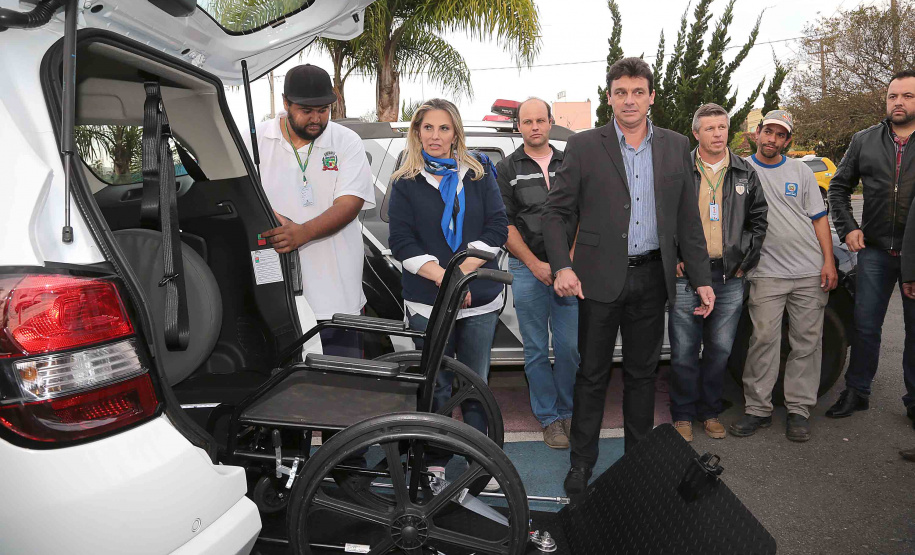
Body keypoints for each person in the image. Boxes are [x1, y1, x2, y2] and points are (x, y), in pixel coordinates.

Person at [542, 57, 715, 495]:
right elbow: (557, 212)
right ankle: (582, 463)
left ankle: (638, 463)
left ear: (652, 96)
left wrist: (702, 278)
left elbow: (687, 222)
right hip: (596, 281)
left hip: (652, 279)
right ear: (609, 97)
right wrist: (562, 265)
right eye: (621, 92)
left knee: (642, 377)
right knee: (592, 375)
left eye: (638, 92)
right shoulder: (583, 146)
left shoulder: (677, 146)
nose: (630, 100)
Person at [387, 98, 508, 484]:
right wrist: (447, 279)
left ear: (456, 131)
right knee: (435, 382)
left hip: (478, 298)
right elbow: (401, 242)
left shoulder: (479, 173)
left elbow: (497, 229)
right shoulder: (405, 180)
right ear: (416, 132)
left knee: (475, 381)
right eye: (427, 128)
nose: (435, 136)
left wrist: (463, 276)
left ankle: (479, 457)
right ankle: (434, 460)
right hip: (427, 298)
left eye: (443, 128)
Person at [251, 64, 375, 357]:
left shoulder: (346, 142)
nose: (317, 118)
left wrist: (303, 232)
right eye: (306, 110)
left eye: (324, 109)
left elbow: (350, 203)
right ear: (285, 104)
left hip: (336, 295)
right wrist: (265, 216)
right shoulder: (254, 139)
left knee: (338, 387)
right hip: (276, 297)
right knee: (284, 389)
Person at [730, 110, 838, 443]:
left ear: (787, 140)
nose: (773, 139)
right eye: (768, 132)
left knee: (807, 343)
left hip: (808, 271)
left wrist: (829, 262)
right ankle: (758, 410)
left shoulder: (801, 172)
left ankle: (799, 411)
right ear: (757, 133)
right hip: (766, 273)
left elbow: (819, 218)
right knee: (763, 341)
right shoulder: (742, 171)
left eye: (780, 135)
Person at [669, 103, 768, 443]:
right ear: (695, 133)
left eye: (722, 127)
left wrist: (745, 262)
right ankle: (682, 414)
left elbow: (759, 221)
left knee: (719, 351)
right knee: (683, 350)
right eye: (709, 128)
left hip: (729, 277)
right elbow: (665, 218)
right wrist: (676, 257)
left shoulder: (744, 172)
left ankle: (709, 411)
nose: (717, 134)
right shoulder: (681, 168)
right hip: (686, 275)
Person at [826, 70, 915, 426]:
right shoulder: (864, 140)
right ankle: (857, 391)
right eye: (893, 96)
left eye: (907, 96)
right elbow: (837, 188)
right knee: (864, 327)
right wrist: (847, 228)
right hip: (875, 252)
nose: (898, 102)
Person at [496, 98, 580, 449]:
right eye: (527, 121)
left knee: (569, 348)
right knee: (534, 349)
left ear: (550, 122)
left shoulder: (571, 160)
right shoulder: (506, 168)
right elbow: (504, 223)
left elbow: (584, 213)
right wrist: (534, 263)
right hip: (527, 268)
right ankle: (549, 419)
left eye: (540, 120)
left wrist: (567, 264)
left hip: (569, 270)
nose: (534, 126)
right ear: (519, 125)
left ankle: (568, 411)